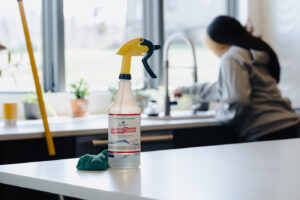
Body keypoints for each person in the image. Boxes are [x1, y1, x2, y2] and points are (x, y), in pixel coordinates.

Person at [174, 16, 300, 142]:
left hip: (264, 131)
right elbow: (223, 88)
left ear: (219, 42)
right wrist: (186, 89)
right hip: (288, 125)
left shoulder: (232, 57)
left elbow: (238, 101)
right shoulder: (252, 51)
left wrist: (221, 113)